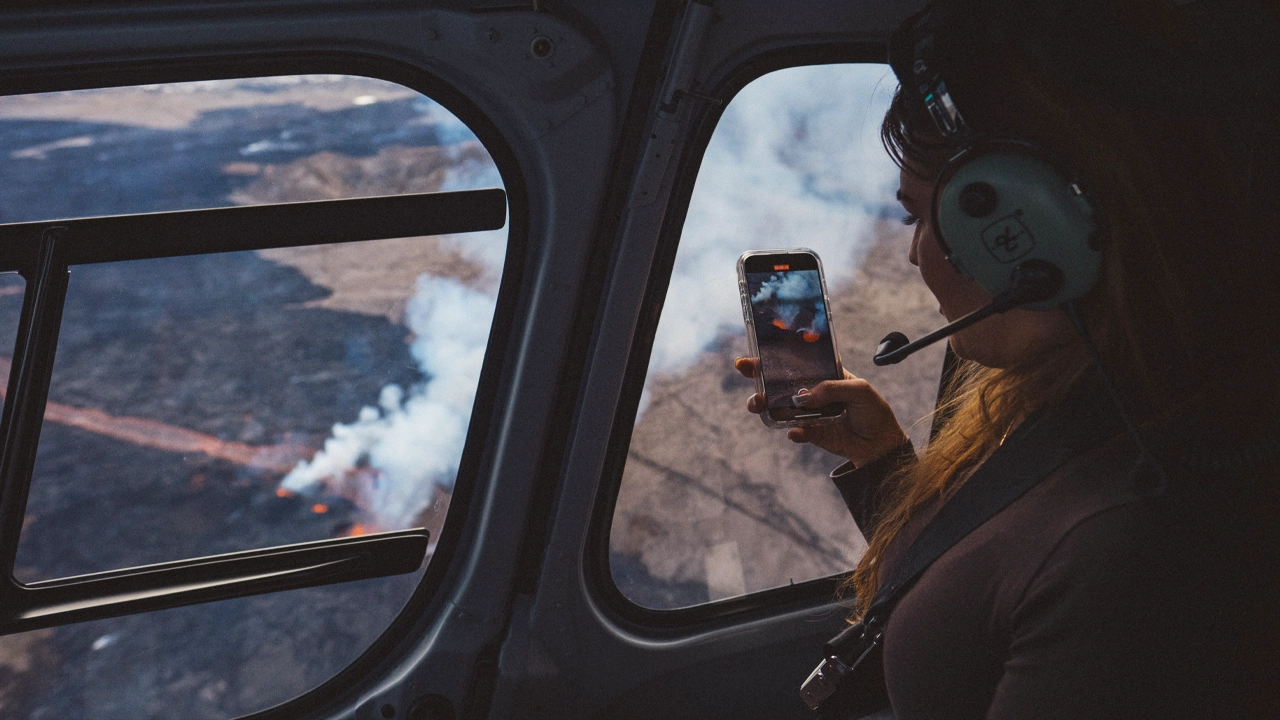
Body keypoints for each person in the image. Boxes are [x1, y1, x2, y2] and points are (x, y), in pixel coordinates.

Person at [736, 0, 1280, 717]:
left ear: (1041, 231)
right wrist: (885, 466)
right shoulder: (1070, 391)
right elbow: (982, 586)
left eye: (934, 217)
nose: (914, 252)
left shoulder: (1134, 544)